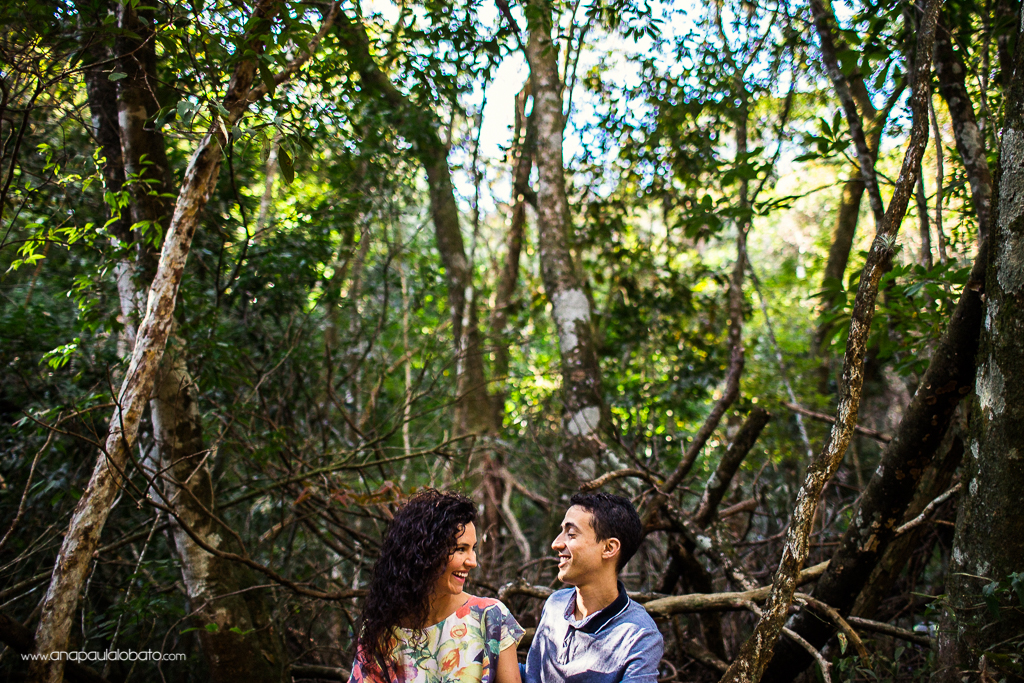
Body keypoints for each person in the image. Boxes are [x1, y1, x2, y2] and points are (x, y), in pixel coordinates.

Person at [349, 489, 524, 683]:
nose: (472, 561)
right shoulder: (380, 630)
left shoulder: (491, 618)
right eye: (460, 549)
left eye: (472, 549)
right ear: (425, 553)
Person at [525, 492, 664, 683]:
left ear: (609, 548)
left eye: (571, 534)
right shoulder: (555, 604)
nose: (556, 543)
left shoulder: (639, 636)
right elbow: (533, 676)